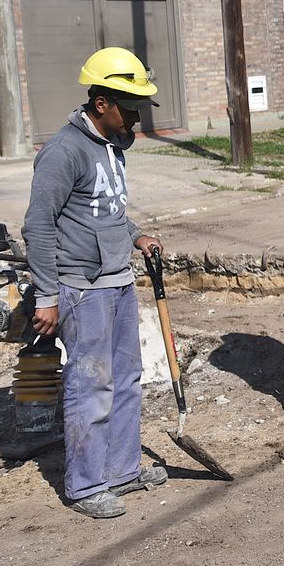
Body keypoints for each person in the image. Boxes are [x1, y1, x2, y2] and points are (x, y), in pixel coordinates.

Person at [23, 47, 168, 519]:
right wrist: (46, 295)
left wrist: (135, 235)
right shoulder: (63, 152)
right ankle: (85, 485)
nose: (137, 115)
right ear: (101, 103)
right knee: (91, 385)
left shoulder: (111, 146)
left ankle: (122, 470)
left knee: (126, 379)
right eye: (130, 106)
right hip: (81, 288)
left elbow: (105, 212)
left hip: (118, 279)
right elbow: (39, 226)